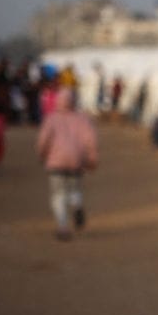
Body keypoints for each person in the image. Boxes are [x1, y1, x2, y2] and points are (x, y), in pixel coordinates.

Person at [36, 87, 98, 241]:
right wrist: (91, 158)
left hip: (56, 161)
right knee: (74, 188)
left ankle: (62, 227)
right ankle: (77, 205)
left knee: (58, 194)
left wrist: (42, 155)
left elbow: (43, 140)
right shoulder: (81, 119)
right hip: (76, 160)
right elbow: (91, 140)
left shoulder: (51, 119)